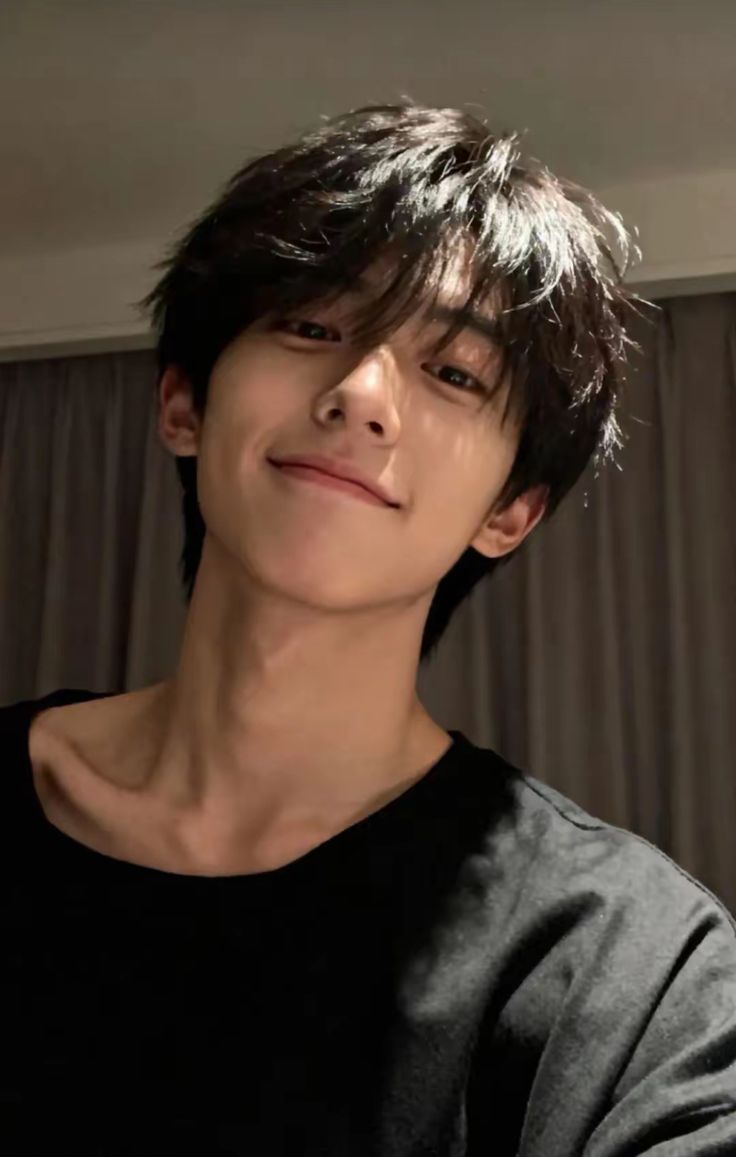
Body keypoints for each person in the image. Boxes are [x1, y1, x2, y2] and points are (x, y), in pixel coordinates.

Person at [4, 101, 735, 1155]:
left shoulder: (628, 967)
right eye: (311, 327)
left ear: (510, 511)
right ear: (184, 404)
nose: (360, 395)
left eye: (454, 372)